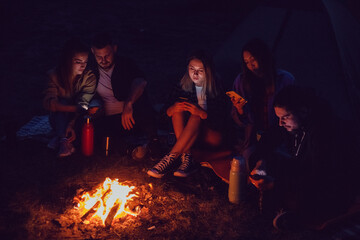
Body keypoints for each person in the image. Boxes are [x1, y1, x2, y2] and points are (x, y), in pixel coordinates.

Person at [248, 85, 356, 230]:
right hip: (307, 171)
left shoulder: (325, 133)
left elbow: (317, 175)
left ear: (303, 111)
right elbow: (269, 138)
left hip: (333, 182)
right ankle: (285, 205)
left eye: (285, 117)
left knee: (312, 194)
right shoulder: (296, 123)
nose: (281, 123)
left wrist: (276, 185)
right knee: (270, 161)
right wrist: (261, 162)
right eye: (279, 118)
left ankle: (296, 213)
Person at [147, 51, 230, 178]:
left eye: (200, 70)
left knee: (196, 113)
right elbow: (162, 115)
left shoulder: (217, 88)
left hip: (212, 135)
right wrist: (173, 108)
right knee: (178, 109)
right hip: (190, 136)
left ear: (207, 71)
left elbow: (222, 121)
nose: (195, 74)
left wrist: (202, 113)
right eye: (192, 69)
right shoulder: (183, 85)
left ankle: (171, 157)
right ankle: (187, 158)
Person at [90, 33, 158, 155]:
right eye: (99, 57)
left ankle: (152, 140)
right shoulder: (90, 70)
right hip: (108, 118)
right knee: (92, 132)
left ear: (114, 49)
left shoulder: (125, 64)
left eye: (107, 55)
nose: (103, 60)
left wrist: (129, 103)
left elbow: (140, 81)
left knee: (141, 100)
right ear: (92, 52)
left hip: (130, 116)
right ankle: (132, 148)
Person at [230, 39, 294, 164]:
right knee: (249, 160)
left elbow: (293, 113)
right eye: (247, 62)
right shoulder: (242, 82)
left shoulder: (284, 79)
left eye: (253, 60)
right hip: (253, 136)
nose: (250, 66)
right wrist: (240, 110)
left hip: (278, 134)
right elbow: (238, 121)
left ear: (263, 57)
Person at [43, 38, 97, 157]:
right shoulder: (54, 75)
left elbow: (84, 102)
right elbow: (49, 103)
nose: (83, 66)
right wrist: (73, 108)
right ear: (68, 61)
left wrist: (71, 123)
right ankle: (64, 142)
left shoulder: (89, 77)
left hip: (78, 118)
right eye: (78, 62)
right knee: (63, 102)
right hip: (58, 117)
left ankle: (61, 138)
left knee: (95, 105)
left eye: (85, 62)